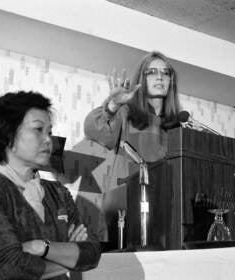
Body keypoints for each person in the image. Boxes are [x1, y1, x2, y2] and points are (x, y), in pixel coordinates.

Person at [0, 91, 101, 279]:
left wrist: (40, 247)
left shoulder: (58, 191)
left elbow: (93, 253)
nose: (48, 140)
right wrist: (69, 257)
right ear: (7, 135)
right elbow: (12, 265)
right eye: (38, 129)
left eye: (49, 132)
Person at [84, 51, 181, 247]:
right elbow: (94, 130)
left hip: (165, 217)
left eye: (165, 73)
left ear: (171, 81)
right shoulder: (126, 113)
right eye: (152, 72)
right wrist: (112, 105)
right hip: (124, 212)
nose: (160, 77)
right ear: (141, 79)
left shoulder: (176, 128)